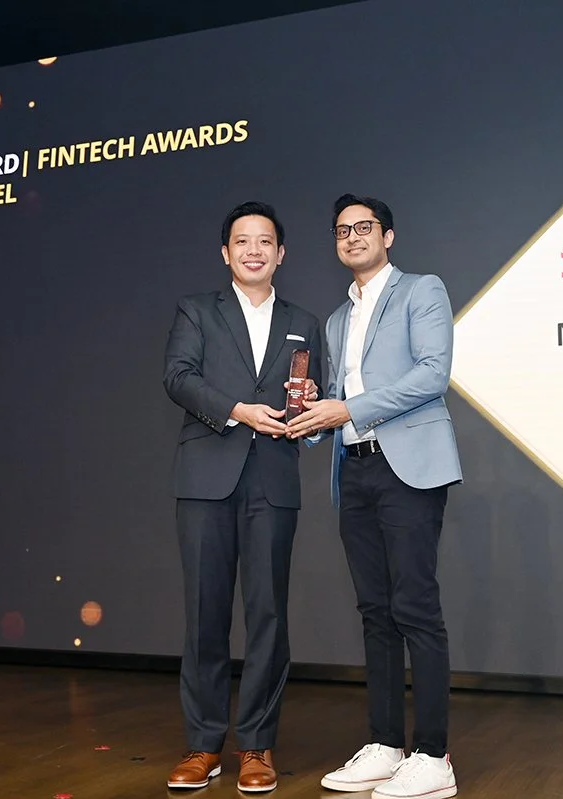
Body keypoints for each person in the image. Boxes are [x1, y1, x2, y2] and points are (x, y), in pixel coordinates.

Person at [285, 194, 461, 799]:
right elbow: (336, 400)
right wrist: (310, 413)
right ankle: (386, 745)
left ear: (388, 235)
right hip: (354, 469)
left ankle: (434, 756)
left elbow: (432, 374)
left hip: (408, 466)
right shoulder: (337, 320)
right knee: (375, 612)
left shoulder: (421, 290)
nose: (352, 237)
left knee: (416, 607)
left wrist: (350, 407)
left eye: (363, 228)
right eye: (341, 230)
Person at [163, 200, 322, 793]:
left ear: (281, 253)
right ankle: (202, 744)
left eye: (265, 241)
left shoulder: (306, 320)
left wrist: (311, 415)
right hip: (206, 476)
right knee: (205, 615)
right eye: (242, 241)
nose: (254, 250)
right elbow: (177, 377)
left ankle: (257, 745)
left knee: (269, 615)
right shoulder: (197, 311)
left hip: (273, 478)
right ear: (226, 253)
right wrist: (235, 410)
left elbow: (317, 399)